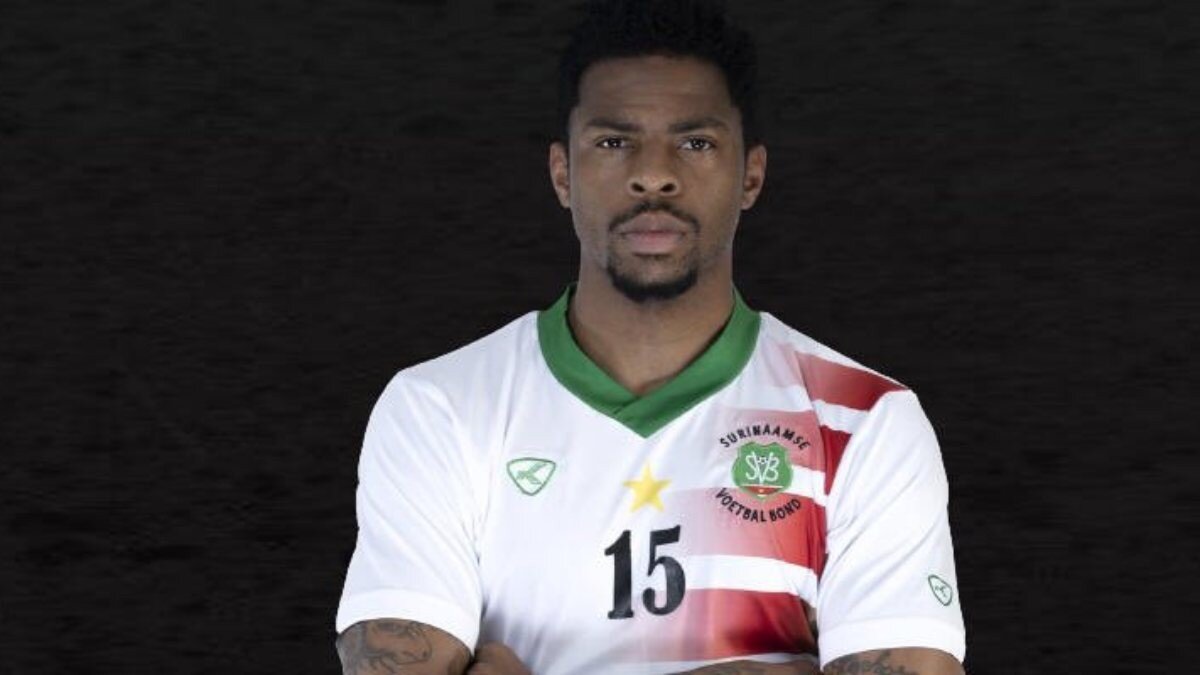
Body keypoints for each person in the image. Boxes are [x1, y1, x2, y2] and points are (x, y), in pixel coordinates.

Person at [335, 0, 966, 673]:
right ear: (562, 174)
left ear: (751, 175)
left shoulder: (864, 418)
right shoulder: (440, 406)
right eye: (614, 142)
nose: (654, 174)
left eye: (696, 143)